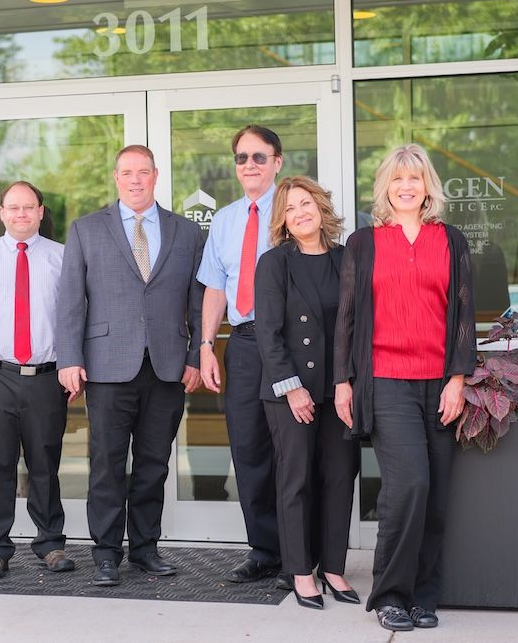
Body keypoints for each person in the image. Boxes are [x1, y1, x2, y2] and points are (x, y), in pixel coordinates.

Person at [333, 144, 476, 631]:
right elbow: (347, 318)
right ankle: (391, 593)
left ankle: (423, 594)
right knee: (408, 484)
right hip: (387, 379)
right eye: (397, 179)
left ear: (428, 186)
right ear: (386, 187)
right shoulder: (365, 243)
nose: (406, 186)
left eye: (415, 178)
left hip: (439, 382)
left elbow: (462, 315)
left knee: (435, 495)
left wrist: (457, 378)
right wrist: (342, 383)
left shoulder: (451, 240)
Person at [57, 144, 204, 586]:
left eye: (143, 171)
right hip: (106, 365)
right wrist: (69, 358)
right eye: (127, 172)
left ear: (156, 175)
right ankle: (105, 553)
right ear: (116, 178)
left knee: (154, 463)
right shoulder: (86, 229)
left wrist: (196, 356)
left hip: (167, 365)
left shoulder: (186, 232)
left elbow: (198, 304)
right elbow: (70, 301)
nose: (135, 179)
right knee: (106, 462)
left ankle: (144, 549)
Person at [0, 180, 74, 579]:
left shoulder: (63, 258)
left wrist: (73, 367)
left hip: (46, 376)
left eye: (29, 207)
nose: (21, 214)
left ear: (41, 211)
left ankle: (50, 544)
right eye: (13, 207)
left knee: (45, 461)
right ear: (1, 213)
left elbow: (75, 319)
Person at [254, 176, 360, 609]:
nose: (300, 212)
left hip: (339, 391)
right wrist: (292, 388)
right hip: (289, 392)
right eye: (291, 207)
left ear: (320, 208)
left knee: (339, 476)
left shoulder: (344, 259)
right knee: (295, 480)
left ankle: (333, 567)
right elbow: (268, 332)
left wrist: (345, 383)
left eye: (306, 203)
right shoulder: (274, 263)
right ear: (282, 219)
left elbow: (350, 329)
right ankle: (300, 572)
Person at [196, 125, 285, 586]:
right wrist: (208, 345)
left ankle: (300, 551)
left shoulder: (295, 210)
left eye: (258, 156)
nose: (248, 164)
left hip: (291, 344)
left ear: (277, 162)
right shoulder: (227, 219)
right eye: (241, 158)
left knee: (292, 449)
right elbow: (215, 287)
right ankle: (265, 549)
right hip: (244, 343)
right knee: (248, 448)